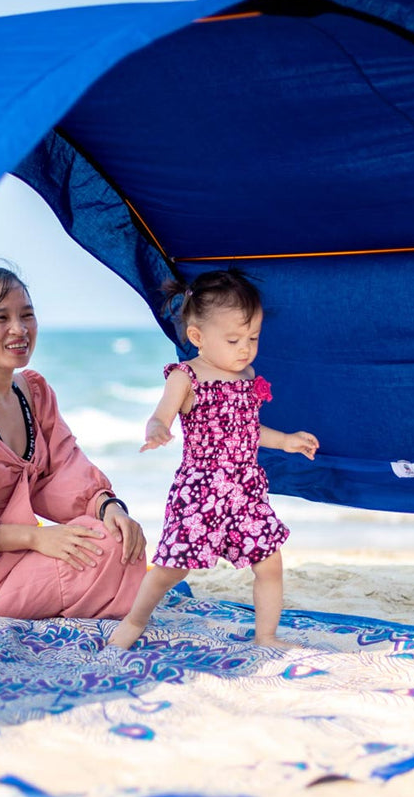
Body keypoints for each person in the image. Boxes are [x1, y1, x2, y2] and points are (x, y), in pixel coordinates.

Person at [0, 267, 148, 620]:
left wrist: (109, 508)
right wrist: (36, 539)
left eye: (27, 315)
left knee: (117, 539)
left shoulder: (32, 391)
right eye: (0, 318)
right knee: (102, 559)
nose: (19, 329)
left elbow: (63, 470)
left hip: (18, 551)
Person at [107, 269, 318, 650]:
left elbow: (248, 431)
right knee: (173, 567)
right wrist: (156, 429)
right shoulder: (186, 377)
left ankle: (266, 636)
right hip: (201, 492)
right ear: (198, 337)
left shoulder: (247, 376)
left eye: (253, 338)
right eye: (234, 339)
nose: (245, 349)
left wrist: (285, 440)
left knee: (269, 562)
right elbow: (161, 415)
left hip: (245, 490)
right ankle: (134, 621)